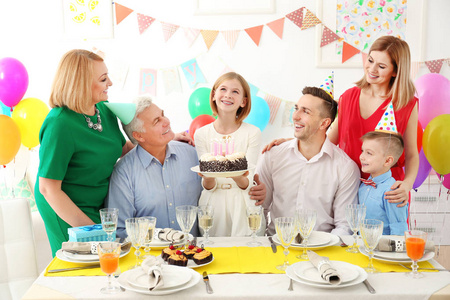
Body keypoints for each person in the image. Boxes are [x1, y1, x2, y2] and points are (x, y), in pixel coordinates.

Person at [35, 50, 192, 256]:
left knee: (108, 261)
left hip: (99, 203)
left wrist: (167, 138)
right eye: (103, 79)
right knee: (85, 263)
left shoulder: (104, 111)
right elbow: (48, 189)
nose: (110, 82)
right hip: (65, 206)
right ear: (81, 83)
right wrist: (93, 231)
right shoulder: (59, 124)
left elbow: (124, 148)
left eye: (107, 75)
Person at [264, 36, 418, 207]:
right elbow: (329, 139)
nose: (372, 69)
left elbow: (411, 153)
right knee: (346, 230)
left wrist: (407, 184)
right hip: (347, 185)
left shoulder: (406, 104)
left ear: (395, 71)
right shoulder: (348, 97)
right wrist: (296, 142)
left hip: (386, 192)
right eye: (370, 60)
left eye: (381, 66)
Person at [105, 95, 266, 238]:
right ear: (139, 136)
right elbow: (121, 231)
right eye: (157, 121)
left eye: (163, 115)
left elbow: (219, 187)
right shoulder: (124, 173)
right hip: (152, 257)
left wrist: (254, 189)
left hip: (195, 254)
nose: (166, 121)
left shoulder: (192, 154)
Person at [257, 86, 360, 236]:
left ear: (324, 123)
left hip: (322, 250)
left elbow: (344, 226)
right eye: (296, 108)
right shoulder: (272, 155)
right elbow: (259, 209)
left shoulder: (345, 167)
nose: (295, 116)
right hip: (276, 248)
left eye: (305, 111)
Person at [194, 72, 263, 237]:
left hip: (243, 202)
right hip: (212, 203)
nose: (228, 95)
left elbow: (247, 181)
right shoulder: (201, 134)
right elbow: (209, 184)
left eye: (235, 92)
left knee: (247, 253)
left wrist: (232, 170)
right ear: (214, 95)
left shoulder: (252, 133)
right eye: (223, 89)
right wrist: (207, 176)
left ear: (243, 101)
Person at [358, 131, 408, 235]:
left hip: (382, 249)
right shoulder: (363, 185)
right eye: (362, 151)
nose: (361, 156)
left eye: (369, 153)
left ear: (387, 161)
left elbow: (399, 229)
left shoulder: (393, 192)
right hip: (362, 247)